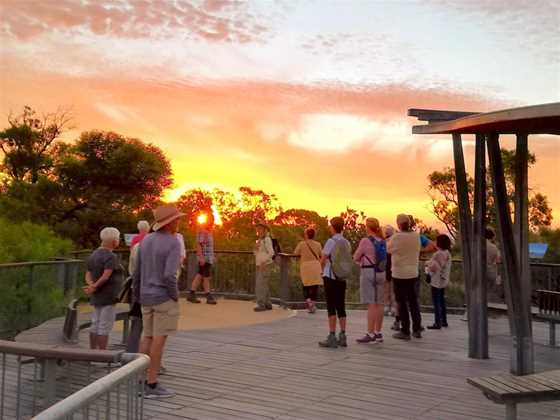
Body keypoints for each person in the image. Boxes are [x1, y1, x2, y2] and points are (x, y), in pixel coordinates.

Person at [132, 204, 185, 399]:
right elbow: (169, 275)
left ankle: (138, 380)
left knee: (147, 337)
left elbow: (137, 272)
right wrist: (175, 295)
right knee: (159, 341)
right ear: (170, 223)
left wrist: (137, 294)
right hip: (163, 298)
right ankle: (152, 384)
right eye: (177, 219)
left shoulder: (145, 241)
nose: (179, 222)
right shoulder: (173, 242)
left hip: (145, 297)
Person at [84, 227, 124, 350]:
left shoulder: (94, 254)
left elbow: (88, 273)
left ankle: (93, 351)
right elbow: (106, 276)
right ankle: (102, 354)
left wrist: (91, 285)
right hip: (108, 295)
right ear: (113, 241)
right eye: (118, 239)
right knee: (104, 325)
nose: (118, 241)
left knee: (95, 322)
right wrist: (94, 286)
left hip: (97, 295)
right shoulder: (110, 256)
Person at [319, 216, 353, 348]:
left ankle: (332, 336)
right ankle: (343, 335)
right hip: (342, 277)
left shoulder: (331, 241)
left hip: (330, 276)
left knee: (331, 306)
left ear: (333, 227)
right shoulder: (346, 242)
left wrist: (321, 271)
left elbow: (323, 258)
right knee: (341, 306)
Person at [387, 214, 423, 340]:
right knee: (413, 301)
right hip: (413, 273)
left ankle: (405, 330)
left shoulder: (397, 237)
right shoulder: (416, 236)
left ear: (398, 224)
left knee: (401, 302)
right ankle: (417, 329)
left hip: (399, 273)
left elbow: (389, 249)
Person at [354, 218, 387, 344]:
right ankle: (378, 333)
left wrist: (361, 261)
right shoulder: (383, 241)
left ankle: (370, 333)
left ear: (368, 227)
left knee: (371, 304)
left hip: (369, 272)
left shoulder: (365, 241)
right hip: (381, 273)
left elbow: (356, 257)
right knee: (380, 303)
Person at [187, 213, 217, 305]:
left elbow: (208, 246)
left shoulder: (208, 231)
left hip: (208, 258)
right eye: (211, 220)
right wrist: (201, 257)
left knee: (200, 275)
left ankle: (192, 294)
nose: (212, 222)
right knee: (206, 277)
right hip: (204, 258)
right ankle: (208, 296)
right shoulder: (203, 231)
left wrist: (212, 256)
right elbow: (199, 245)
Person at [425, 234, 452, 329]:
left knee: (436, 301)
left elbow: (434, 267)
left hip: (436, 281)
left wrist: (427, 264)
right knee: (441, 300)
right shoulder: (447, 253)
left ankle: (437, 322)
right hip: (443, 280)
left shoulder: (438, 254)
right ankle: (444, 321)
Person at [293, 228, 323, 314]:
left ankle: (309, 302)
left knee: (305, 285)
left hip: (305, 266)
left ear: (306, 235)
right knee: (315, 286)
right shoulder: (318, 244)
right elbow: (321, 255)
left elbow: (295, 253)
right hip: (316, 266)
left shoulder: (302, 244)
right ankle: (312, 305)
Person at [254, 223, 275, 312]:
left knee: (260, 285)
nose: (258, 231)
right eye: (257, 229)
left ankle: (261, 304)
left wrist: (264, 262)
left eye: (260, 229)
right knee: (264, 285)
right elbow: (256, 253)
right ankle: (267, 304)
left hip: (264, 265)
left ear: (265, 230)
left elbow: (271, 252)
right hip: (260, 264)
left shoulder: (267, 239)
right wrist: (255, 248)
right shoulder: (260, 240)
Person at [486, 228, 503, 303]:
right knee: (489, 293)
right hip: (491, 272)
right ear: (492, 236)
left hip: (480, 272)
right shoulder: (494, 247)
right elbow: (498, 260)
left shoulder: (478, 245)